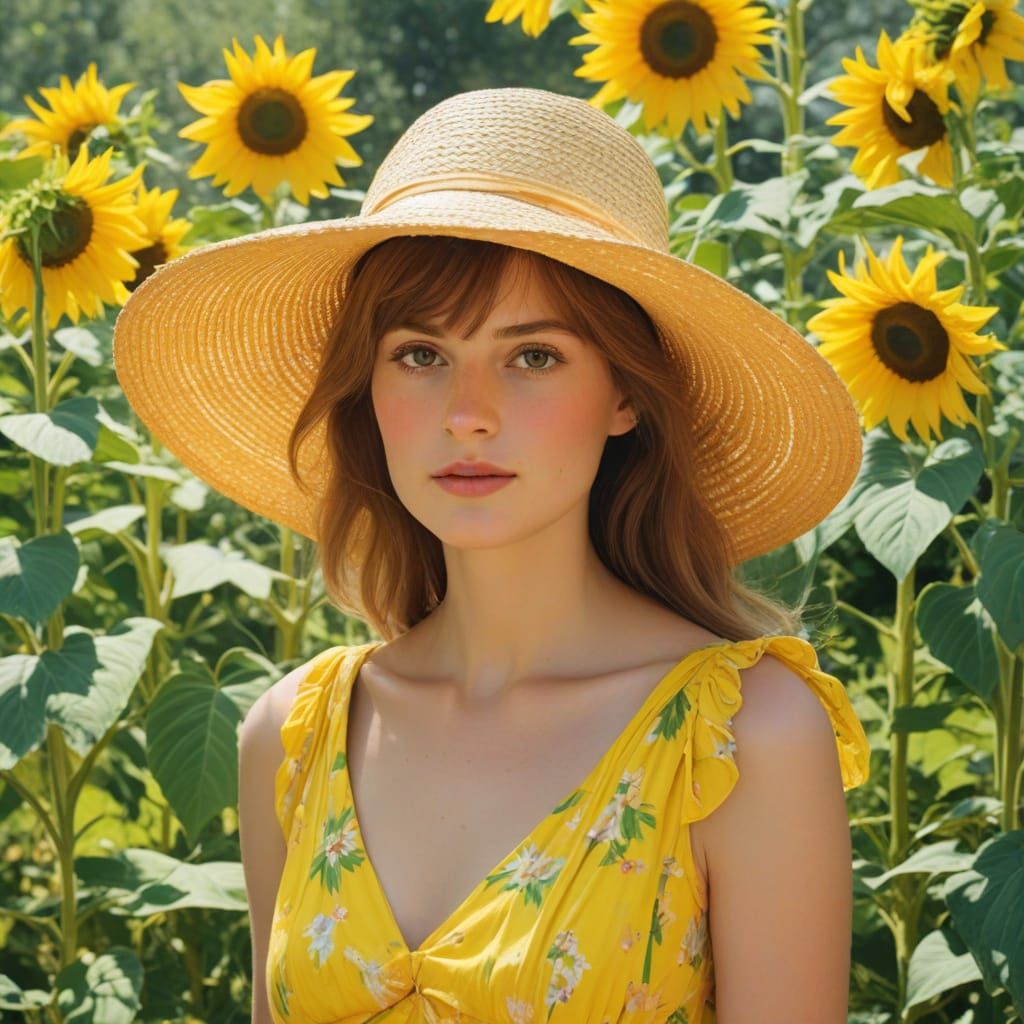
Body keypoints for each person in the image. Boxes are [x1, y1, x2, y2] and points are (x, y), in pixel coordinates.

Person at [113, 86, 871, 1024]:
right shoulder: (292, 738)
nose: (468, 412)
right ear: (370, 393)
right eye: (421, 355)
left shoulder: (742, 737)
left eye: (535, 356)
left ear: (625, 399)